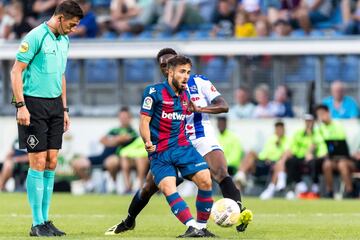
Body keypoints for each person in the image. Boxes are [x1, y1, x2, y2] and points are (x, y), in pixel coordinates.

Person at [105, 48, 253, 235]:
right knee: (150, 187)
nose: (166, 67)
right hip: (169, 143)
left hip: (197, 137)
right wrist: (148, 140)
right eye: (163, 65)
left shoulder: (199, 82)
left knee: (219, 172)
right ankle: (129, 220)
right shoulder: (157, 92)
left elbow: (223, 106)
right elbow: (145, 120)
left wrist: (199, 109)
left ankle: (233, 213)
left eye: (171, 63)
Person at [10, 0, 83, 237]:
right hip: (33, 104)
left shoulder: (65, 40)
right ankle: (36, 222)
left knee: (52, 162)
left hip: (54, 106)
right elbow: (16, 71)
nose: (73, 29)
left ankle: (45, 220)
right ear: (60, 17)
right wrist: (20, 106)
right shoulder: (35, 36)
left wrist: (64, 109)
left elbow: (61, 75)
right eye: (71, 24)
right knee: (38, 162)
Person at [139, 55, 215, 238]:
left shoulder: (185, 94)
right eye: (182, 72)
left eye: (188, 72)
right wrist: (147, 141)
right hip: (161, 152)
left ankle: (202, 227)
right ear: (170, 72)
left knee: (205, 179)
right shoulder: (153, 92)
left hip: (182, 147)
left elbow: (188, 109)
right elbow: (144, 121)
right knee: (168, 187)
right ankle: (191, 226)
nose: (186, 76)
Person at [235, 120, 288, 198]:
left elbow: (284, 154)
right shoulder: (271, 139)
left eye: (280, 128)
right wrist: (265, 158)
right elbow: (263, 153)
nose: (279, 130)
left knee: (279, 164)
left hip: (273, 164)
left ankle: (271, 189)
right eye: (277, 128)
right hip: (263, 161)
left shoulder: (286, 140)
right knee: (250, 153)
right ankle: (241, 174)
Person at [314, 104, 356, 198]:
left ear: (328, 113)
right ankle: (330, 191)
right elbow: (319, 144)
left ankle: (350, 191)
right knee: (327, 165)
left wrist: (331, 147)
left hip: (344, 158)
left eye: (322, 114)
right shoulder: (318, 129)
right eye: (319, 115)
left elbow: (340, 142)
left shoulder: (337, 125)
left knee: (342, 164)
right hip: (330, 159)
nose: (321, 116)